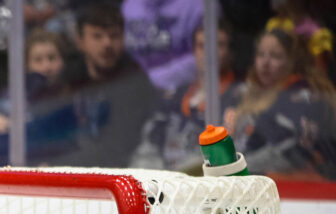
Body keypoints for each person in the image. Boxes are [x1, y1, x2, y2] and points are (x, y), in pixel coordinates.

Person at [44, 2, 157, 168]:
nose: (107, 44)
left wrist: (57, 164)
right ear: (80, 41)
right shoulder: (69, 76)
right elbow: (51, 129)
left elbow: (119, 147)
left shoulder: (134, 80)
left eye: (114, 36)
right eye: (97, 36)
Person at [223, 26, 336, 179]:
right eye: (261, 54)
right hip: (249, 180)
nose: (265, 62)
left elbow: (290, 155)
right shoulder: (246, 93)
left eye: (276, 56)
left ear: (293, 61)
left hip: (288, 186)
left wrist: (236, 169)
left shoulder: (303, 97)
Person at [131, 19, 242, 172]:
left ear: (230, 52)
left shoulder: (241, 98)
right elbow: (148, 147)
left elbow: (238, 153)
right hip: (166, 179)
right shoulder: (173, 96)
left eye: (218, 45)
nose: (209, 53)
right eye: (202, 46)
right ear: (194, 52)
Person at [0, 27, 78, 165]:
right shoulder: (11, 95)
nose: (46, 67)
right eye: (38, 60)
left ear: (63, 62)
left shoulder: (73, 97)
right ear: (26, 65)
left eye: (52, 58)